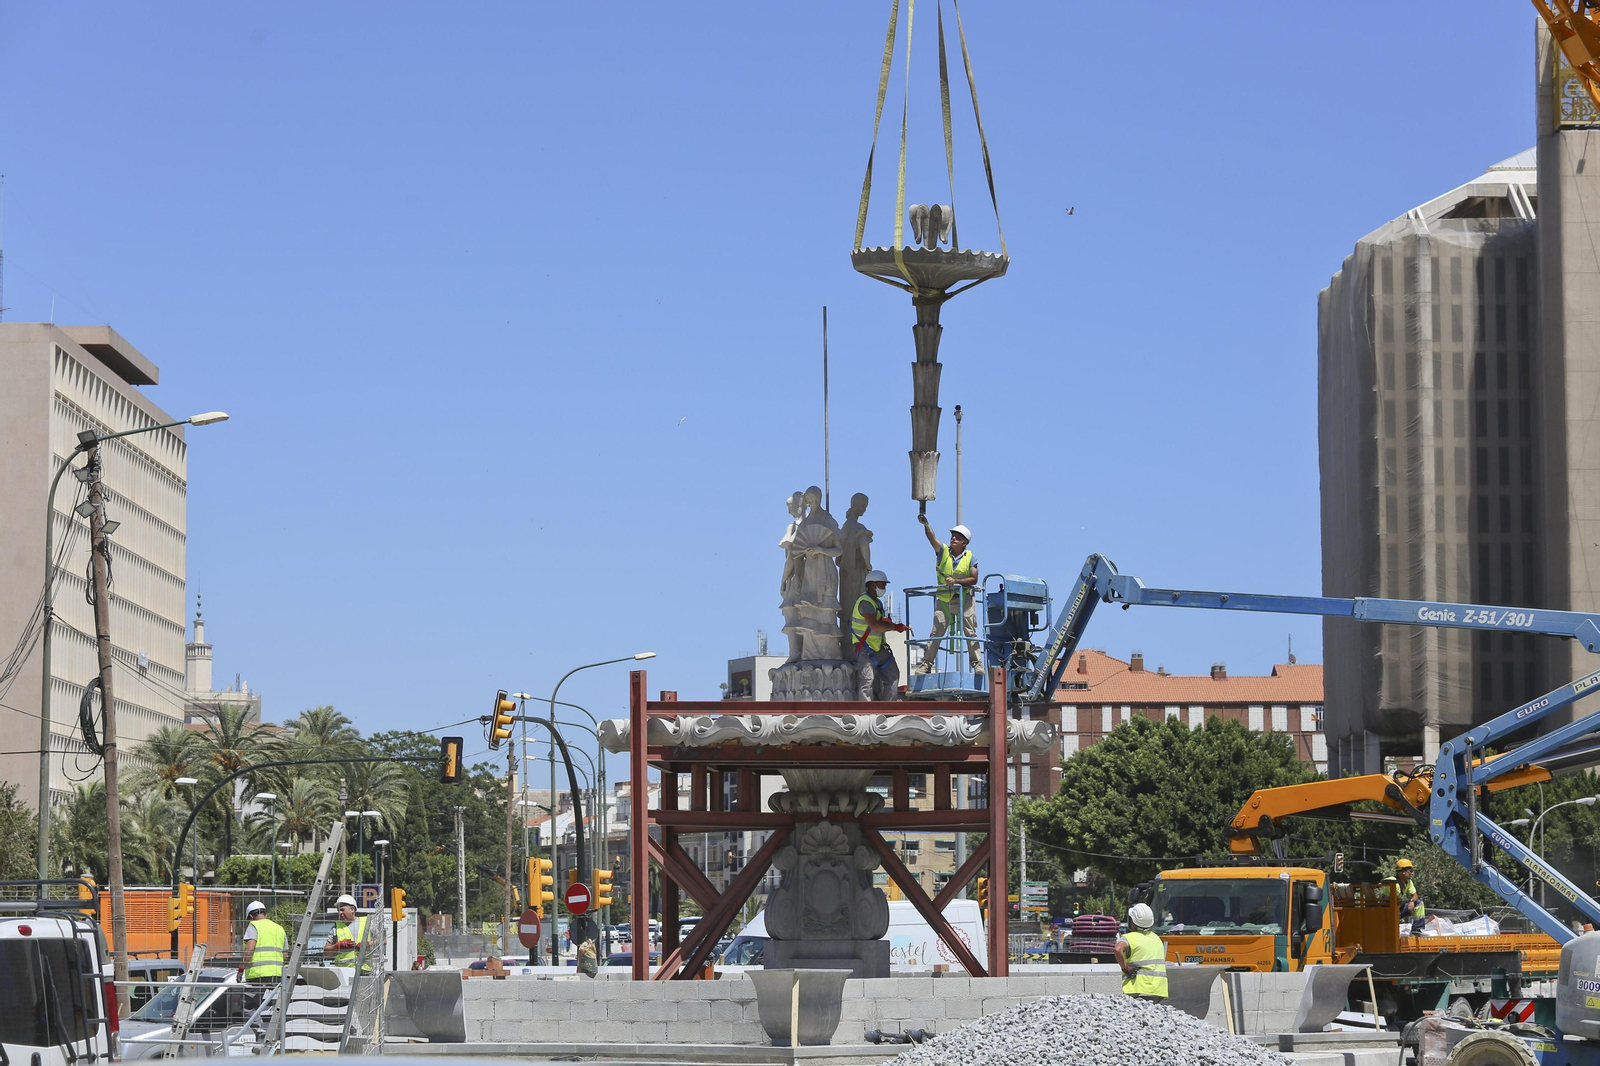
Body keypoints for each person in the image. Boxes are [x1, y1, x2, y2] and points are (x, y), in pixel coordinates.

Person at [917, 516, 981, 673]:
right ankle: (926, 664)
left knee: (970, 632)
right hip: (944, 600)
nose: (953, 538)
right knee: (936, 633)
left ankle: (977, 664)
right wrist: (926, 524)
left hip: (964, 600)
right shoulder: (943, 551)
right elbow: (932, 538)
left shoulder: (970, 557)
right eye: (953, 536)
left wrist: (957, 581)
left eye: (958, 537)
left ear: (964, 542)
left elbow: (974, 579)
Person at [852, 570, 908, 701]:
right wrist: (895, 627)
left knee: (892, 674)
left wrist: (889, 624)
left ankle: (888, 708)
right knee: (867, 679)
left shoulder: (877, 603)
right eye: (883, 584)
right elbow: (875, 626)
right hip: (865, 648)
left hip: (878, 647)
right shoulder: (865, 602)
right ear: (873, 585)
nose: (885, 587)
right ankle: (866, 710)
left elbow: (878, 624)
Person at [1114, 903, 1168, 1001]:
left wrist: (1125, 969)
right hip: (1158, 990)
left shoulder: (1129, 938)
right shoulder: (1156, 938)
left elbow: (1117, 949)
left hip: (1137, 989)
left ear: (1132, 921)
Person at [238, 900, 287, 984]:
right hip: (277, 976)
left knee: (250, 993)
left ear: (251, 916)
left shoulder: (253, 926)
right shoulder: (279, 928)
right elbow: (285, 955)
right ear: (265, 914)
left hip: (257, 975)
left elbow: (250, 949)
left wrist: (241, 969)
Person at [325, 893, 369, 966]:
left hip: (364, 970)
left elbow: (383, 941)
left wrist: (368, 944)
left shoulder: (367, 923)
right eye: (338, 910)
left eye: (342, 910)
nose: (340, 913)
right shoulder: (336, 928)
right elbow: (326, 953)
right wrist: (336, 946)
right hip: (343, 971)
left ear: (352, 909)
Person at [1396, 858, 1426, 933]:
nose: (1412, 873)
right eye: (1410, 871)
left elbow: (1415, 895)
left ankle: (1416, 929)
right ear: (1403, 871)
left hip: (1397, 911)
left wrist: (1412, 901)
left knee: (1419, 903)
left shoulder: (1408, 882)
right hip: (1387, 912)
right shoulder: (1392, 881)